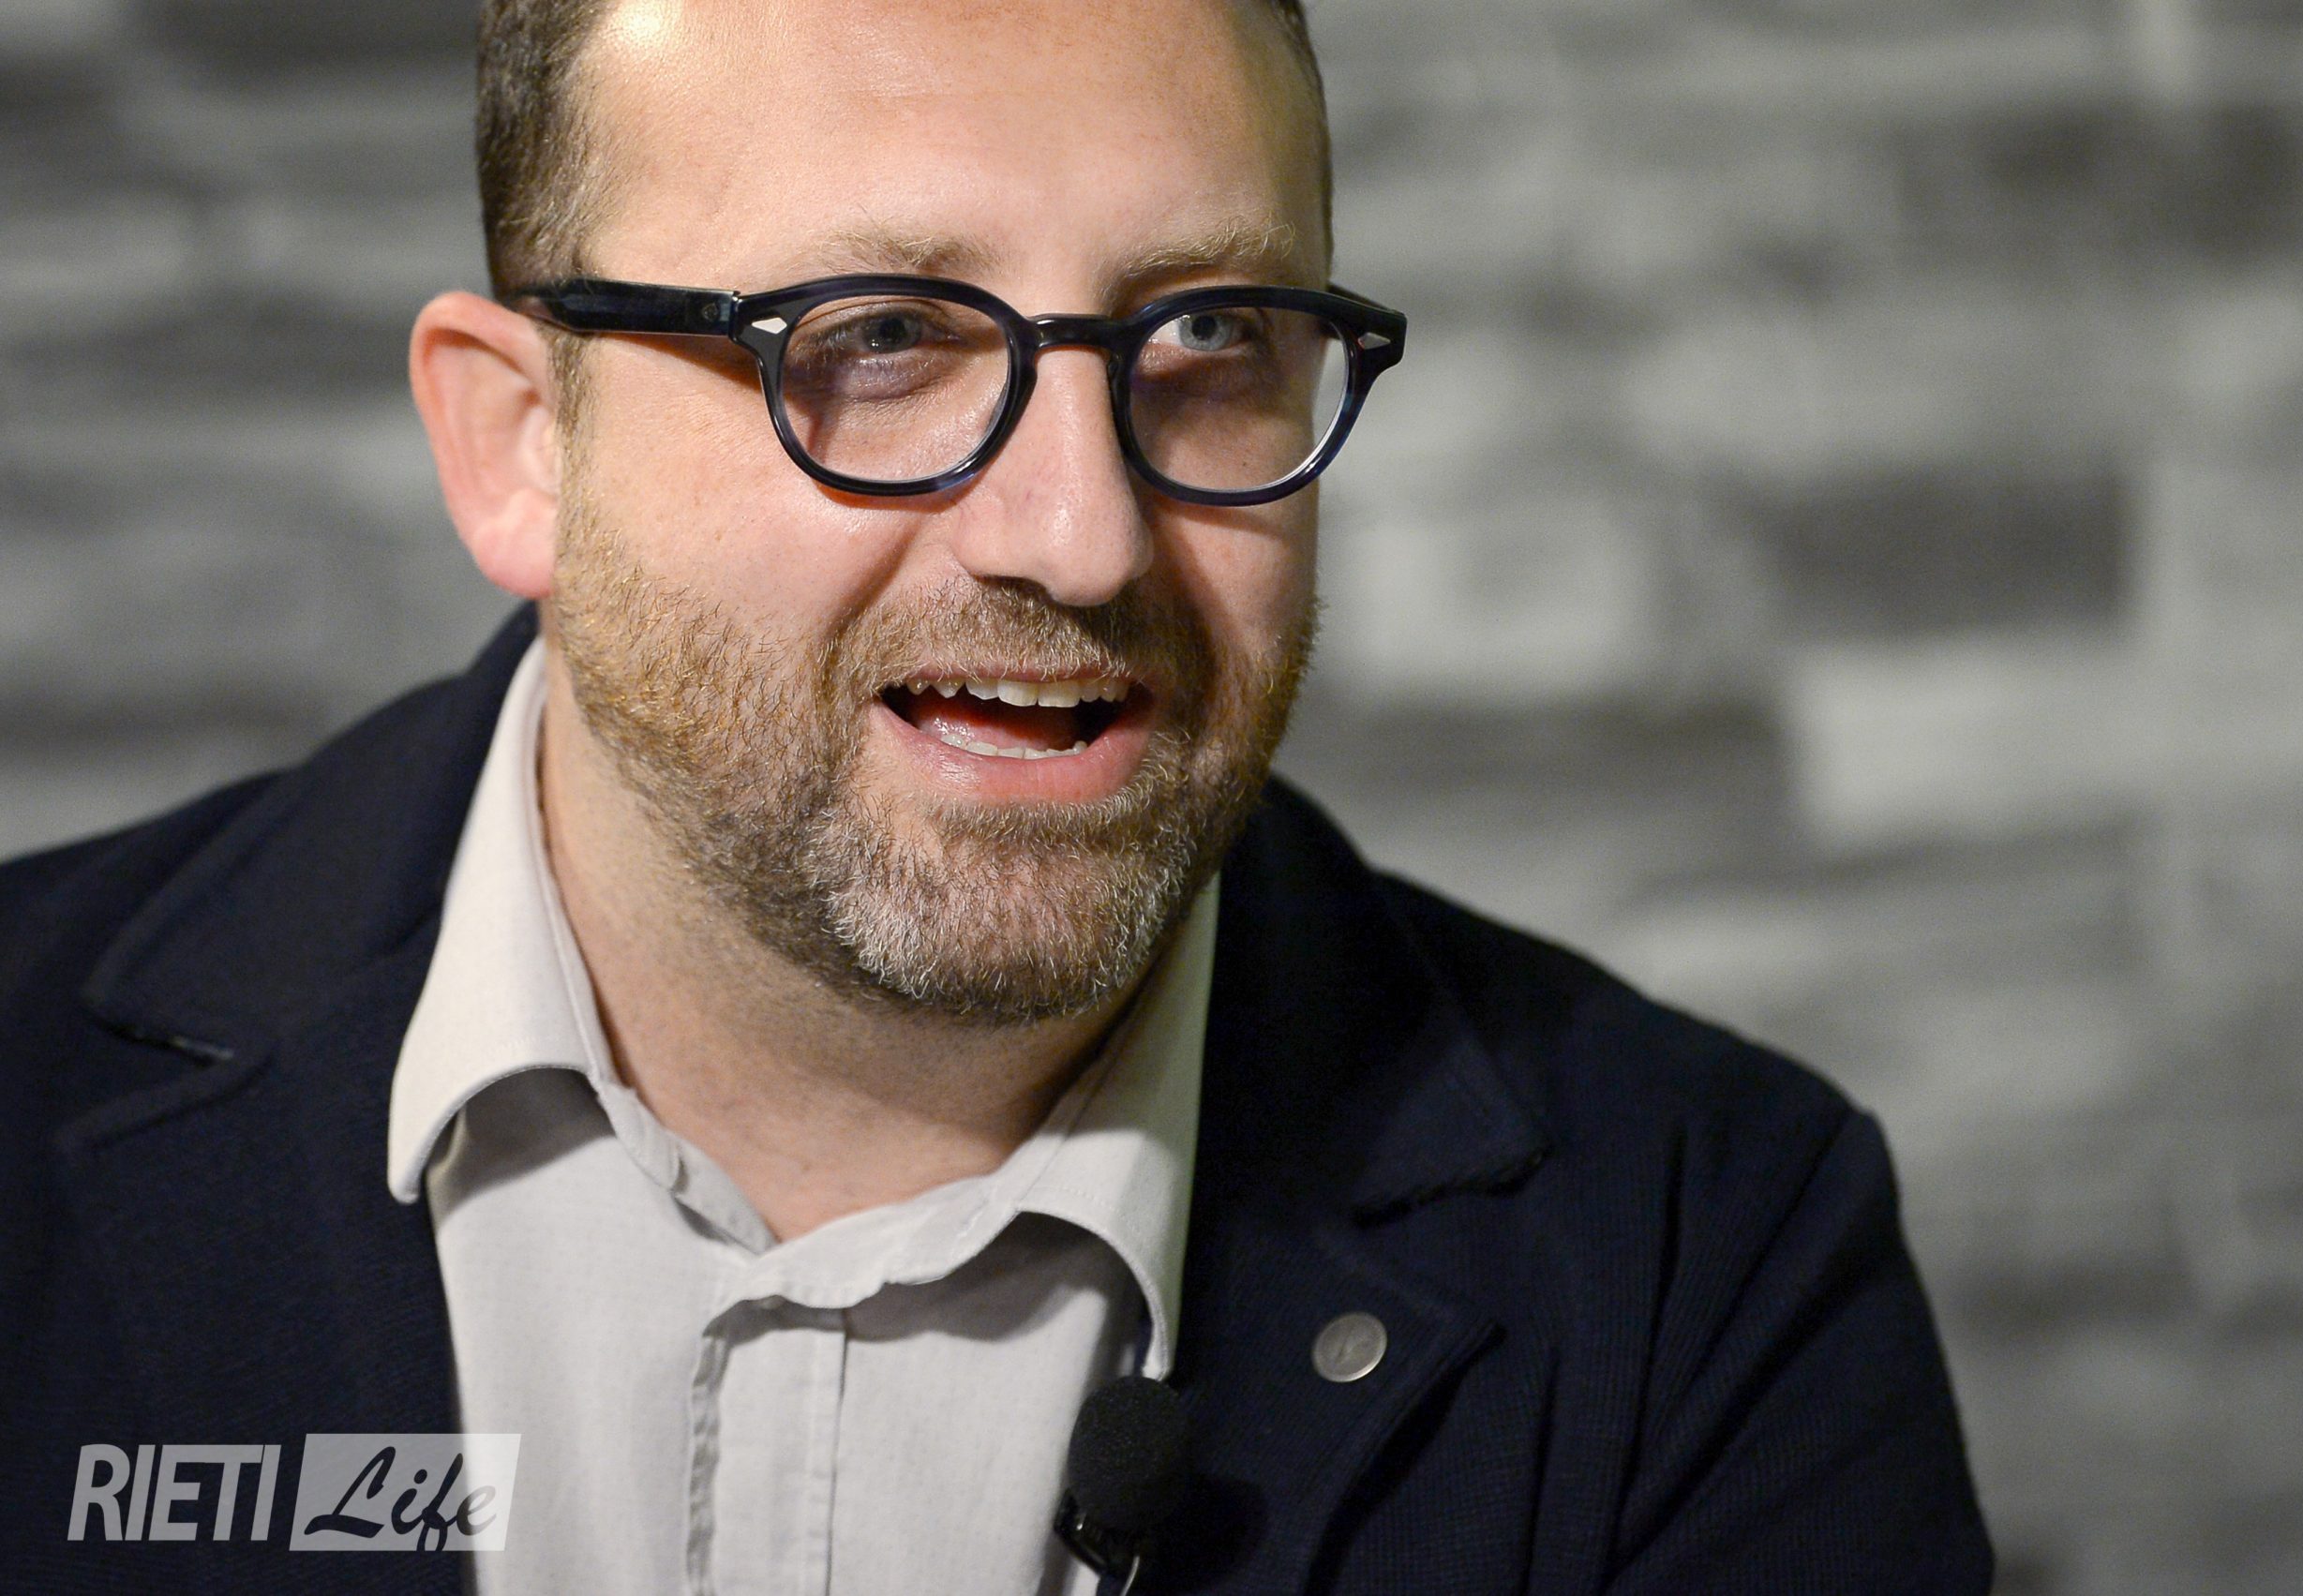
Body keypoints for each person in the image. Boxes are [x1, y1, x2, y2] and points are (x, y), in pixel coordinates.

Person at [0, 0, 1993, 1590]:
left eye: (1208, 339)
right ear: (521, 443)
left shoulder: (1698, 1263)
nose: (1082, 533)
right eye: (876, 341)